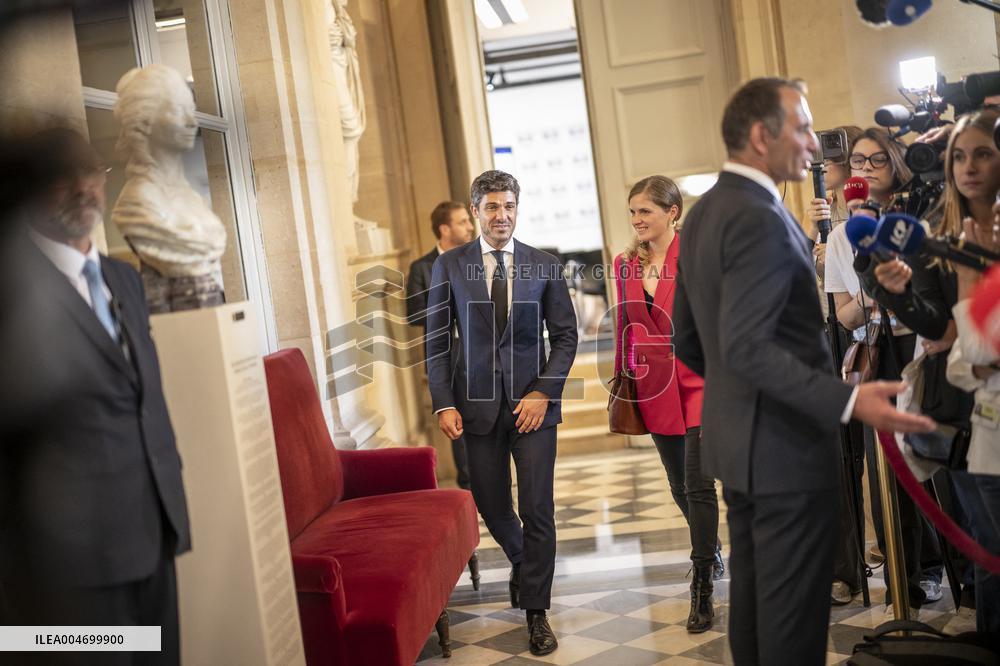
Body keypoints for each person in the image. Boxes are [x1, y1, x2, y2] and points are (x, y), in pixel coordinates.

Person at [671, 77, 934, 665]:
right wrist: (849, 401)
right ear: (761, 135)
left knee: (757, 608)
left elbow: (689, 340)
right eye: (804, 128)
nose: (815, 144)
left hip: (739, 442)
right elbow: (748, 348)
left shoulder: (705, 212)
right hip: (783, 448)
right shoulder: (758, 215)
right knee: (792, 621)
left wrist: (739, 395)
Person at [0, 128, 191, 665]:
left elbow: (143, 399)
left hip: (153, 529)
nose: (83, 187)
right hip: (73, 562)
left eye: (91, 172)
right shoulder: (14, 290)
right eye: (63, 176)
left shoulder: (123, 279)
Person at [425, 170, 577, 656]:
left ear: (517, 208)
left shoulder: (544, 264)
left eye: (508, 206)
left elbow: (566, 337)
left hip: (534, 408)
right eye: (492, 207)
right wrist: (444, 401)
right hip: (475, 407)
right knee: (491, 503)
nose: (501, 215)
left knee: (537, 508)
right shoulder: (450, 265)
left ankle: (536, 612)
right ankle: (523, 562)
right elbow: (436, 341)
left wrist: (544, 392)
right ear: (476, 211)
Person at [866, 106, 1000, 634]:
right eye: (958, 157)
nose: (969, 168)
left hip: (983, 377)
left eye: (983, 154)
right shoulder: (935, 234)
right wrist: (892, 292)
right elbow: (938, 327)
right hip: (965, 403)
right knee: (987, 546)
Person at [613, 175, 721, 633]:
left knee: (698, 484)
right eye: (633, 212)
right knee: (678, 484)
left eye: (646, 211)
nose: (637, 219)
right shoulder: (624, 264)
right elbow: (625, 325)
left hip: (699, 380)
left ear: (672, 212)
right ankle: (711, 549)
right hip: (653, 384)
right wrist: (625, 383)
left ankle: (702, 584)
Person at [406, 200, 475, 489]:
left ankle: (497, 483)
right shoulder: (422, 267)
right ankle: (469, 489)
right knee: (458, 424)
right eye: (462, 222)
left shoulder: (478, 260)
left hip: (483, 355)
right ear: (445, 229)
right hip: (447, 358)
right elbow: (413, 314)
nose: (470, 226)